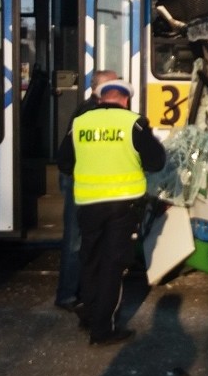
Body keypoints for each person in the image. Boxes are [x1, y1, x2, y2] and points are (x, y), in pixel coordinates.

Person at [57, 79, 166, 346]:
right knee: (112, 265)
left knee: (91, 259)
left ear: (101, 98)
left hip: (88, 204)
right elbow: (156, 161)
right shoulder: (133, 123)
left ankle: (90, 315)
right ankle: (103, 329)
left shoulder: (80, 123)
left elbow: (64, 163)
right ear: (125, 100)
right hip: (122, 204)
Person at [55, 70, 119, 313]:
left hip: (80, 181)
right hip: (79, 183)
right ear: (100, 87)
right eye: (115, 83)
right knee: (75, 240)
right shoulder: (90, 112)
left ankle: (76, 291)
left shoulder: (88, 109)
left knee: (80, 238)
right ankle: (68, 295)